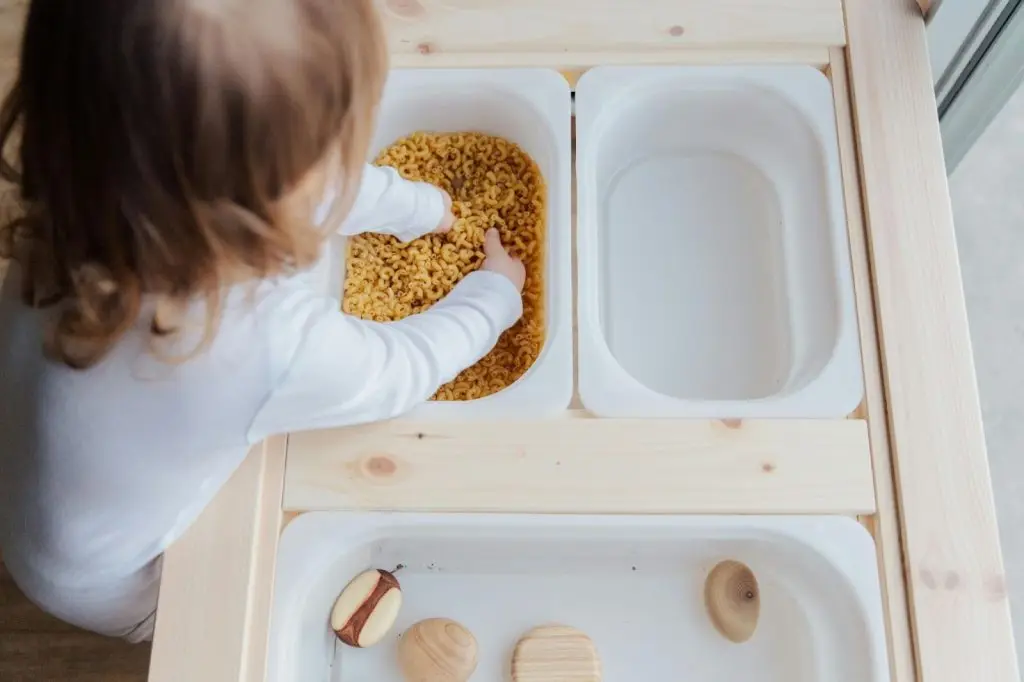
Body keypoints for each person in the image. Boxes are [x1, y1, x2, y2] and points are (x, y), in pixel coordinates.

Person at [0, 0, 526, 642]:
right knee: (259, 603)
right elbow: (401, 368)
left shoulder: (94, 188)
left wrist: (421, 209)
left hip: (39, 490)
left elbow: (308, 183)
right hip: (119, 577)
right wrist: (494, 297)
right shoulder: (254, 343)